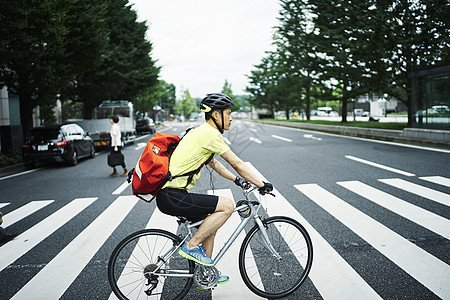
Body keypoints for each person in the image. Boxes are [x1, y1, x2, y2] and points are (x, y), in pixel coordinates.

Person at [156, 93, 273, 287]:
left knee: (210, 223)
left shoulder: (199, 132)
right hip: (173, 195)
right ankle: (192, 246)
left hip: (172, 195)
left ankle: (206, 274)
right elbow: (236, 162)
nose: (231, 117)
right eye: (228, 113)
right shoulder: (210, 134)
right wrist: (261, 184)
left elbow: (213, 164)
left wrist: (237, 181)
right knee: (226, 206)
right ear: (216, 115)